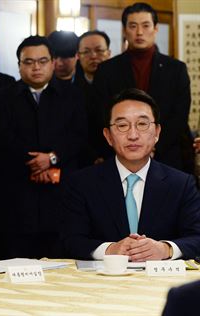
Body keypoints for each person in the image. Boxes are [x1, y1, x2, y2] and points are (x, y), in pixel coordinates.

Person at [62, 88, 200, 261]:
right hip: (102, 282)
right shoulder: (82, 183)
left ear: (156, 132)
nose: (133, 135)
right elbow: (70, 240)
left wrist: (165, 249)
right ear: (108, 136)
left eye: (142, 124)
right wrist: (111, 249)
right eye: (122, 125)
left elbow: (197, 237)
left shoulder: (182, 184)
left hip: (160, 284)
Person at [0, 35, 86, 259]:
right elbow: (1, 139)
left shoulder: (73, 95)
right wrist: (36, 164)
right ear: (19, 65)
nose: (36, 67)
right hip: (18, 192)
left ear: (53, 63)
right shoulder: (2, 98)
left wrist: (52, 159)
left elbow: (79, 136)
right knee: (19, 258)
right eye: (29, 62)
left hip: (62, 192)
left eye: (42, 61)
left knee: (60, 259)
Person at [94, 2, 193, 174]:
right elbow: (101, 113)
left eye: (146, 25)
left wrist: (151, 146)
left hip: (166, 156)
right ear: (125, 30)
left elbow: (179, 116)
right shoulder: (107, 70)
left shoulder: (176, 69)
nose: (139, 32)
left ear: (155, 29)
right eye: (133, 26)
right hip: (120, 156)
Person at [75, 30, 113, 167]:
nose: (93, 56)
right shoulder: (71, 89)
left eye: (99, 50)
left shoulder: (121, 85)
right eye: (86, 52)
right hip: (81, 159)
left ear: (109, 53)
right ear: (78, 56)